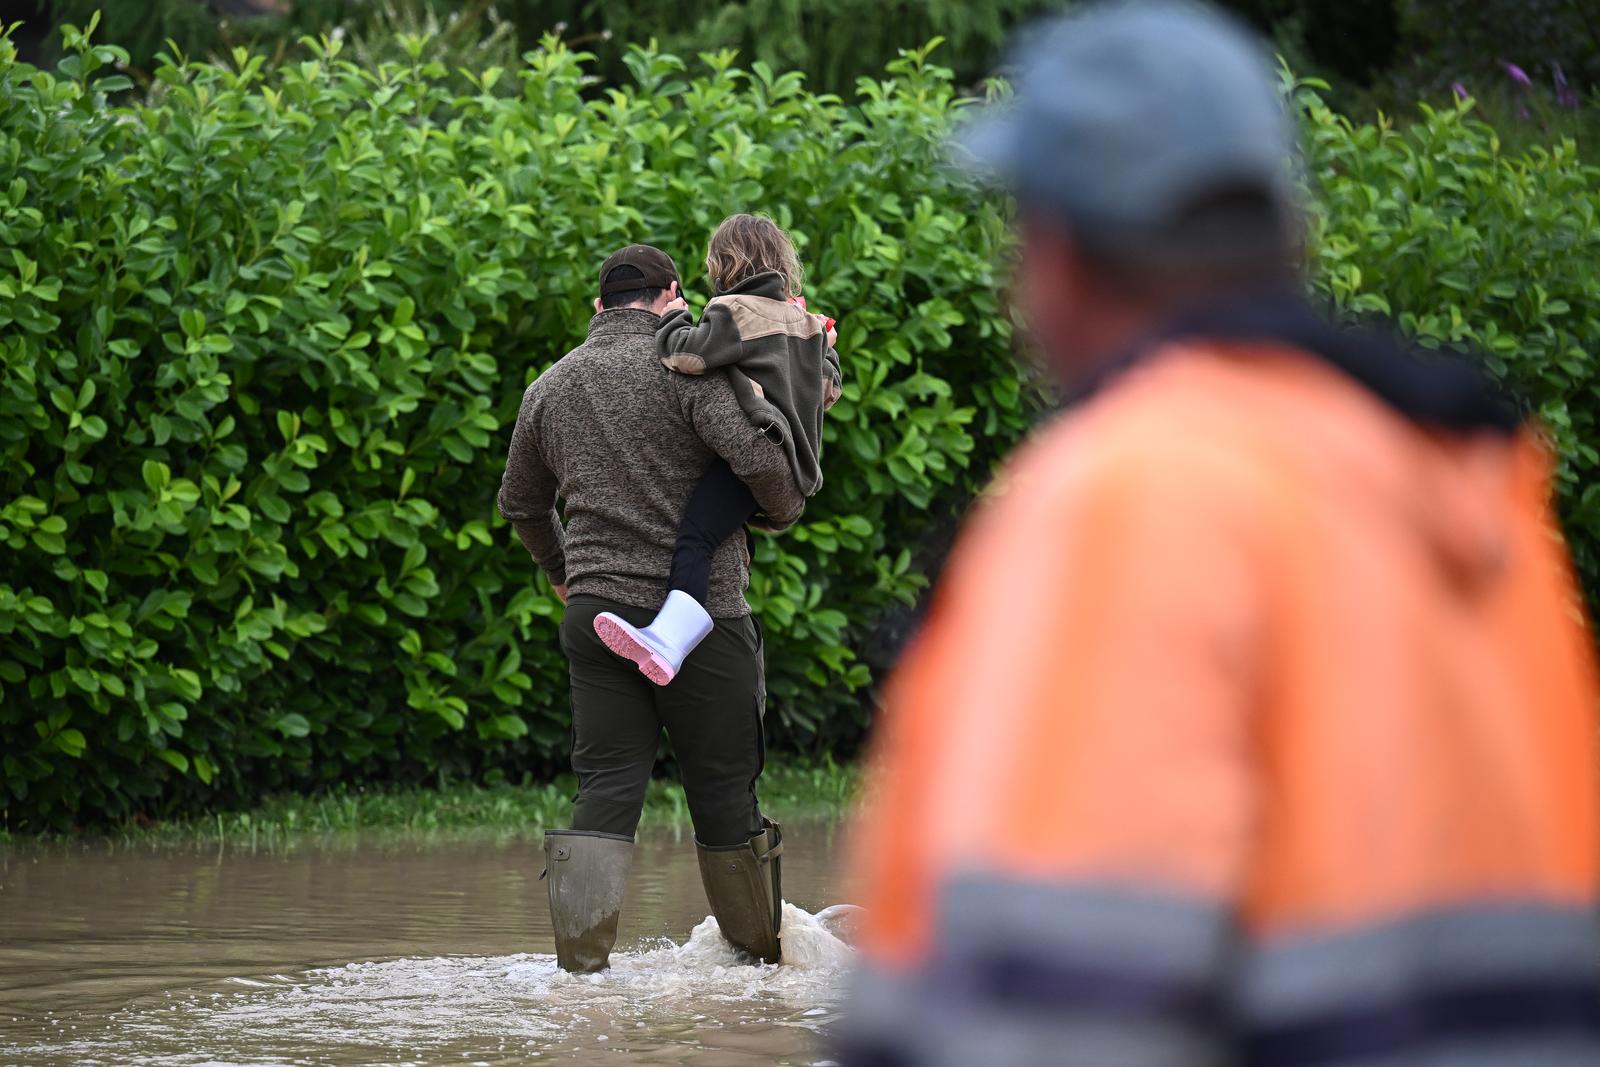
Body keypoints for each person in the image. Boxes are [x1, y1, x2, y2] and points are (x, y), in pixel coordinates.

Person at [840, 2, 1600, 1064]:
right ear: (1289, 232)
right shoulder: (1470, 502)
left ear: (1053, 248)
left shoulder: (1134, 494)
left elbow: (1044, 1015)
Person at [497, 244, 800, 971]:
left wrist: (566, 572)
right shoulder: (686, 368)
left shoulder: (550, 386)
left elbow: (521, 504)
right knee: (726, 795)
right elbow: (760, 463)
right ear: (671, 295)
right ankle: (757, 976)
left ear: (598, 307)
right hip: (703, 622)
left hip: (597, 614)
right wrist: (781, 503)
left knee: (604, 792)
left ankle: (579, 973)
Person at [594, 214, 843, 685]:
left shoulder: (732, 311)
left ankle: (668, 642)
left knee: (697, 537)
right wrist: (826, 349)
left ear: (721, 263)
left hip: (756, 448)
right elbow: (827, 390)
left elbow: (686, 356)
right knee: (718, 530)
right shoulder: (806, 322)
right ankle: (672, 636)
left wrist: (673, 319)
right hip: (794, 461)